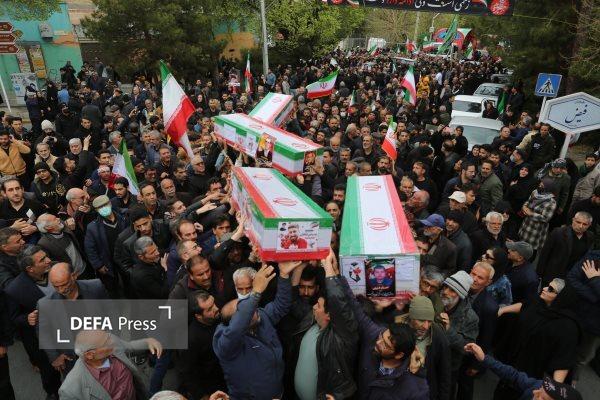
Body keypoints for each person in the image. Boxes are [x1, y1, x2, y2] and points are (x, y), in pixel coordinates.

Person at [213, 262, 300, 399]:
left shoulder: (261, 316)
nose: (251, 308)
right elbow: (237, 327)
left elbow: (281, 305)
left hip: (278, 392)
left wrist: (284, 275)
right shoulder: (226, 344)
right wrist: (256, 292)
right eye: (244, 310)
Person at [340, 274, 429, 400]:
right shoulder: (375, 335)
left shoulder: (416, 389)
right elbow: (355, 308)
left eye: (385, 344)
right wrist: (336, 275)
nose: (378, 342)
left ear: (399, 355)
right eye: (382, 336)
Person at [496, 279, 581, 400]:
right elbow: (524, 306)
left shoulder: (568, 327)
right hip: (515, 362)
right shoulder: (539, 302)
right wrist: (503, 310)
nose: (544, 289)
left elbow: (563, 361)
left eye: (551, 289)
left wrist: (552, 392)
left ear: (561, 297)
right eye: (547, 285)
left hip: (535, 374)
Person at [290, 250, 358, 400]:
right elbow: (294, 301)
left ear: (330, 315)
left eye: (319, 306)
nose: (314, 307)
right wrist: (300, 267)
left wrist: (328, 268)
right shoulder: (311, 320)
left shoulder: (341, 338)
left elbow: (339, 303)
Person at [4, 245, 61, 399]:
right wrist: (27, 318)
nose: (49, 260)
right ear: (30, 268)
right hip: (42, 339)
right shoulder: (14, 290)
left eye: (46, 256)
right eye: (42, 260)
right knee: (49, 372)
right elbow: (14, 318)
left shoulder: (57, 268)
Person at [58, 330, 162, 400]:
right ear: (90, 355)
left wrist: (147, 342)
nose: (112, 341)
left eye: (108, 337)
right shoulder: (70, 390)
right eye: (106, 343)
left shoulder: (109, 340)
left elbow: (129, 346)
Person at [464, 343, 583, 400]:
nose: (535, 392)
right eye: (541, 390)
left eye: (542, 398)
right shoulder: (539, 386)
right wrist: (484, 358)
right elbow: (514, 376)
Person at [395, 296, 451, 400]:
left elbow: (444, 375)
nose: (426, 326)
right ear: (411, 317)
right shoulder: (396, 327)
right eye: (421, 320)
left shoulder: (439, 336)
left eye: (429, 321)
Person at [456, 262, 498, 400]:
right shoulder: (460, 289)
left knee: (465, 386)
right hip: (454, 346)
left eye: (480, 277)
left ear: (488, 282)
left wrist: (476, 365)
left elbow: (486, 338)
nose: (474, 279)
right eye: (473, 274)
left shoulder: (489, 307)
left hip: (469, 355)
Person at [177, 292, 226, 399]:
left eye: (213, 303)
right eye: (209, 309)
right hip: (212, 386)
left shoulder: (218, 317)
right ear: (198, 316)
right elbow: (187, 372)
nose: (216, 308)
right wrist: (203, 396)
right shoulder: (191, 340)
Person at [439, 270, 479, 398]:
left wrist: (449, 330)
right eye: (445, 287)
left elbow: (468, 348)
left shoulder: (470, 317)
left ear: (460, 295)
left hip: (448, 367)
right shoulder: (435, 302)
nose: (445, 292)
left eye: (452, 290)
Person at [537, 211, 593, 286]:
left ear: (589, 225)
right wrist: (538, 274)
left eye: (585, 224)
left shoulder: (589, 236)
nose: (580, 226)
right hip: (552, 276)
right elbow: (545, 254)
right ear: (573, 220)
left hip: (571, 278)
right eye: (578, 222)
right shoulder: (558, 233)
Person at [518, 178, 558, 256]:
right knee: (521, 248)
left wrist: (531, 214)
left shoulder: (551, 202)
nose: (539, 186)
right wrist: (524, 207)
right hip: (526, 225)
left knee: (530, 252)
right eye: (540, 184)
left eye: (542, 186)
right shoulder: (535, 192)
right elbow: (528, 201)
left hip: (536, 231)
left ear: (548, 188)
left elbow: (546, 218)